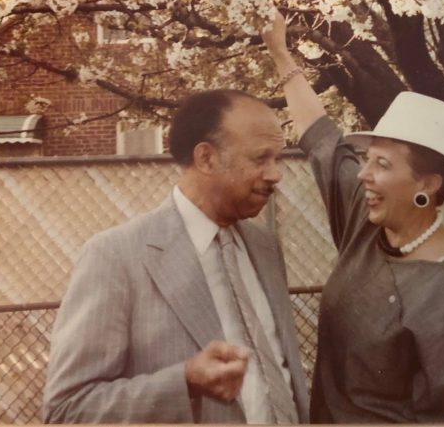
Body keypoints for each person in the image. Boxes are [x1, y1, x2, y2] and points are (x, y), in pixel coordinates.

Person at [263, 13, 444, 423]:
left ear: (425, 184)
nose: (363, 175)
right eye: (367, 159)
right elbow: (321, 138)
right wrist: (281, 55)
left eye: (382, 164)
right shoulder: (368, 221)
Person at [42, 89, 310, 424]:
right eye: (260, 159)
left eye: (277, 159)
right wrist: (184, 382)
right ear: (206, 158)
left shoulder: (265, 248)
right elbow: (68, 410)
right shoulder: (117, 256)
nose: (276, 174)